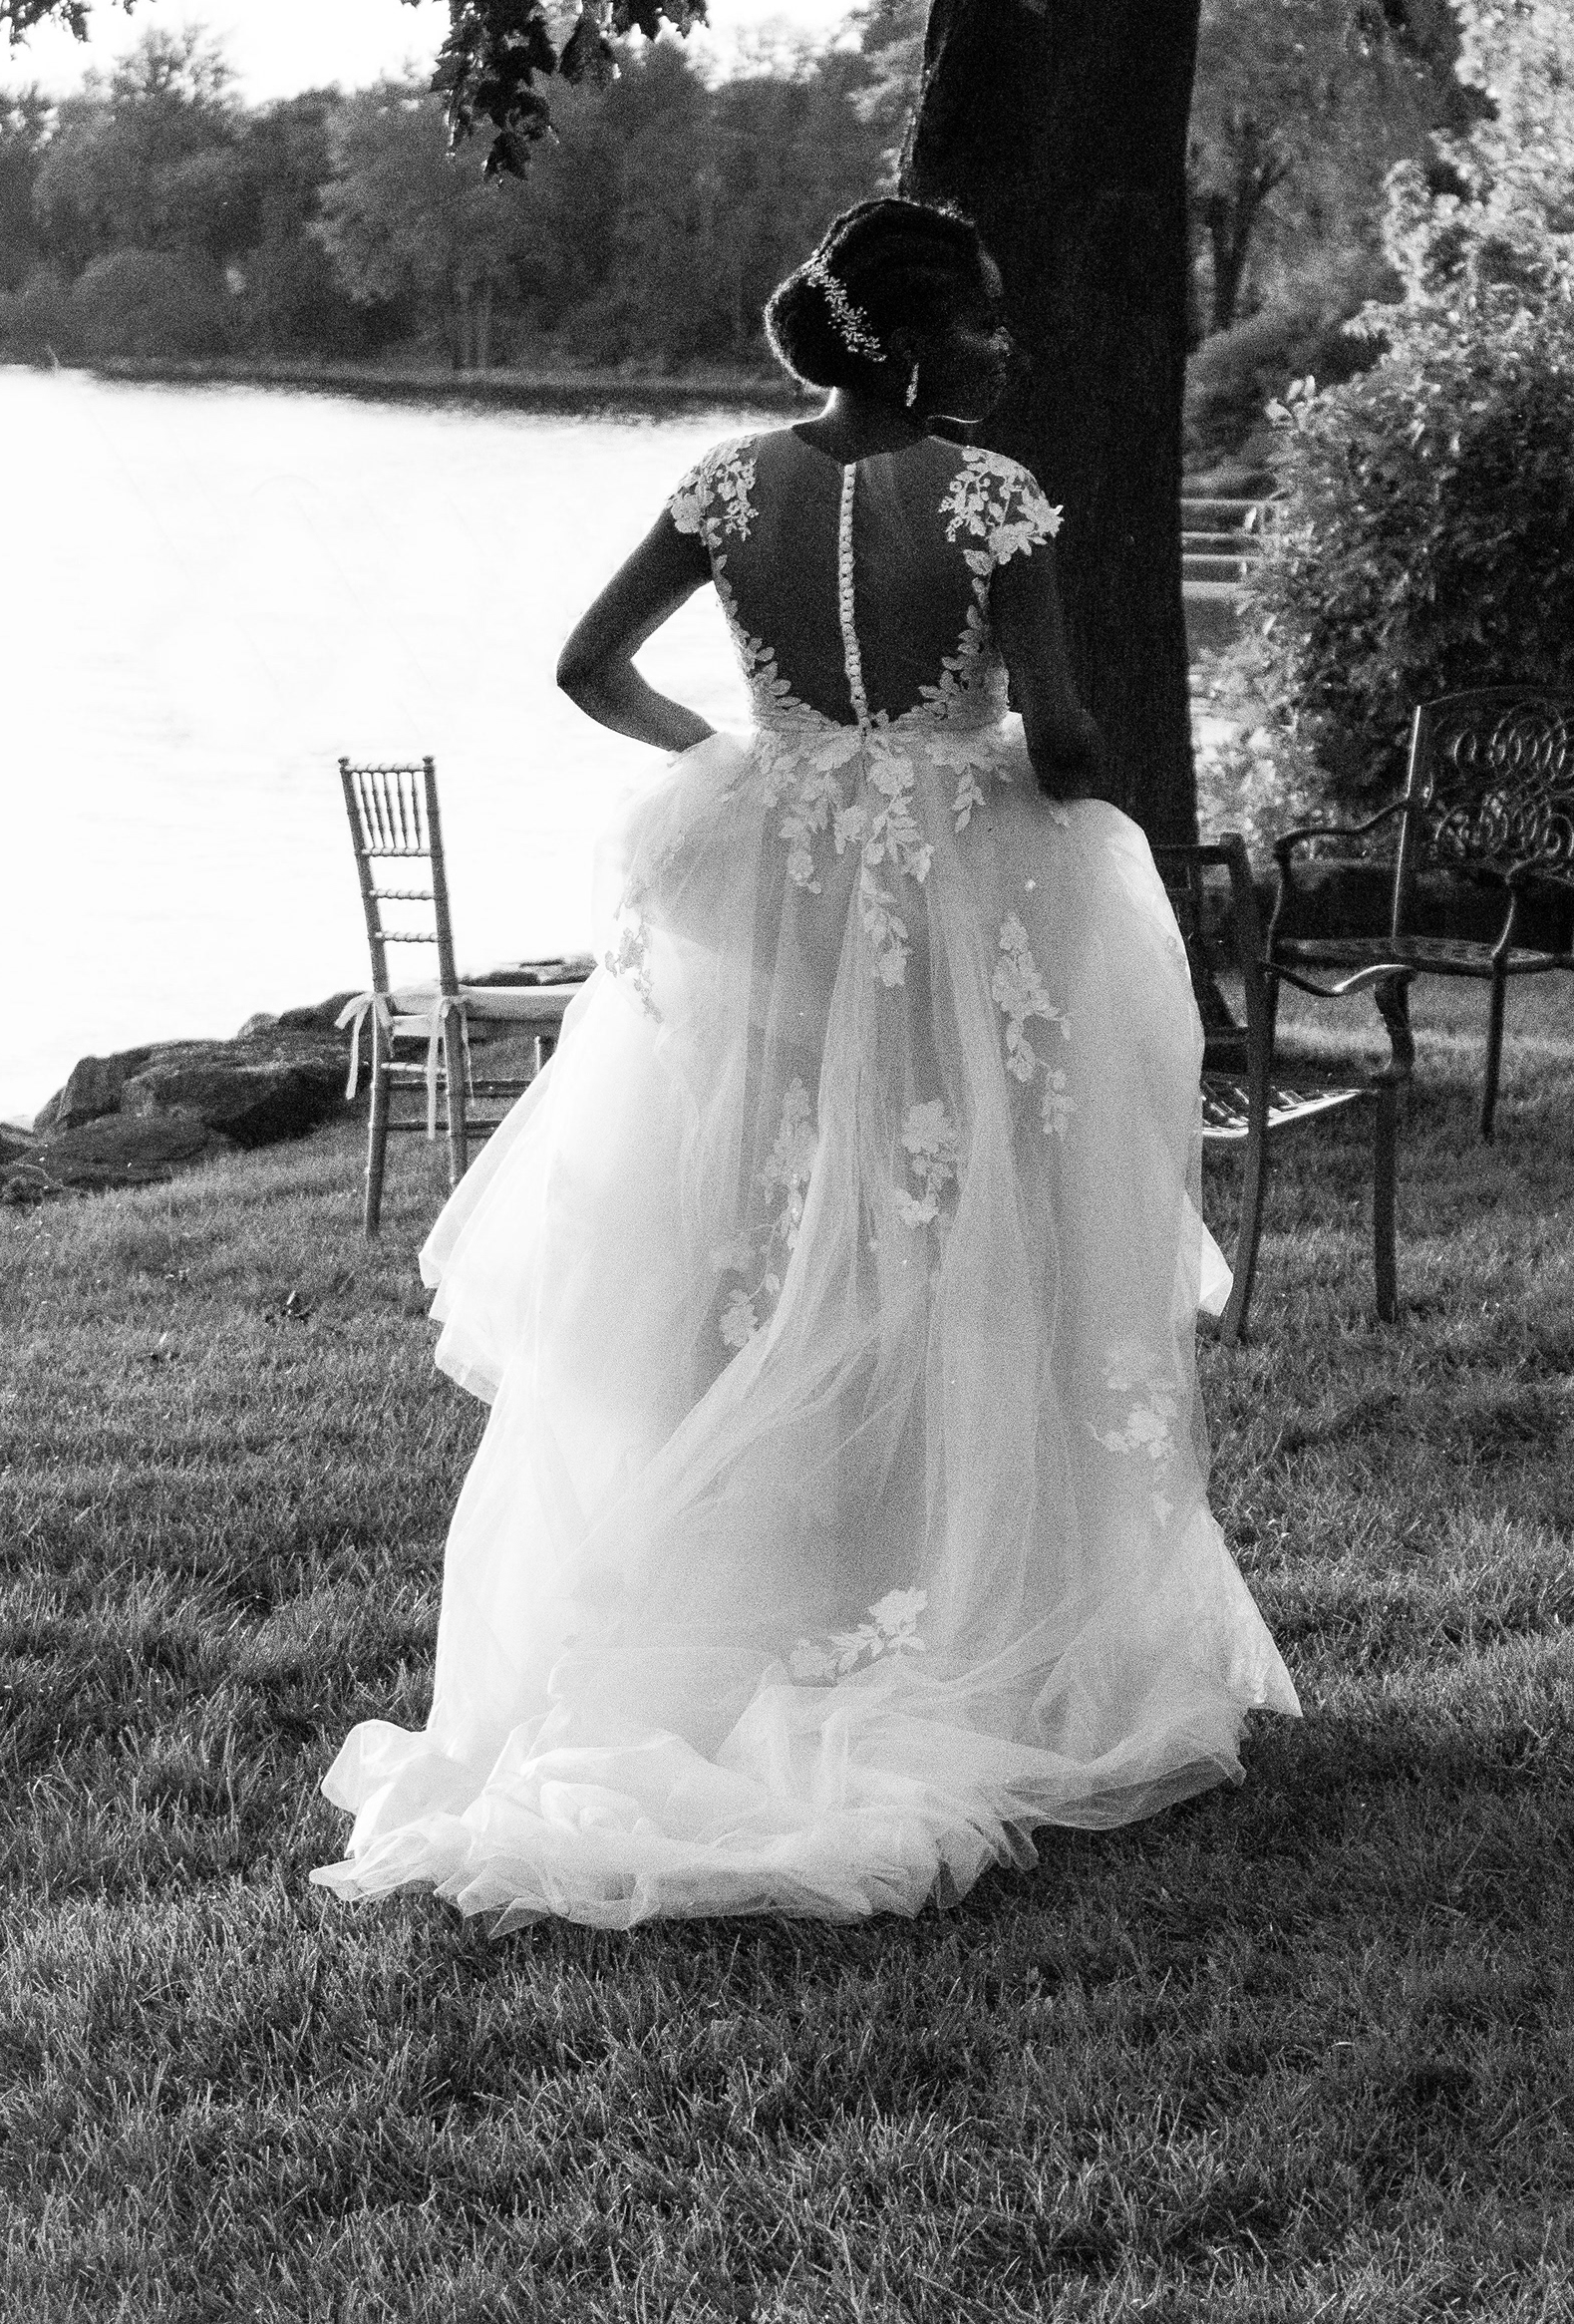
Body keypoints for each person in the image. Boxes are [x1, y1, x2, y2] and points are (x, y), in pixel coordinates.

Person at [311, 196, 1299, 1933]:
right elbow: (1069, 741)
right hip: (958, 889)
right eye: (979, 320)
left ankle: (762, 1586)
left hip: (780, 883)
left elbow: (585, 667)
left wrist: (739, 755)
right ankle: (955, 1594)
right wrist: (1038, 752)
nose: (1002, 347)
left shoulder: (725, 488)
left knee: (763, 1224)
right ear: (906, 338)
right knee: (965, 1216)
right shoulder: (990, 498)